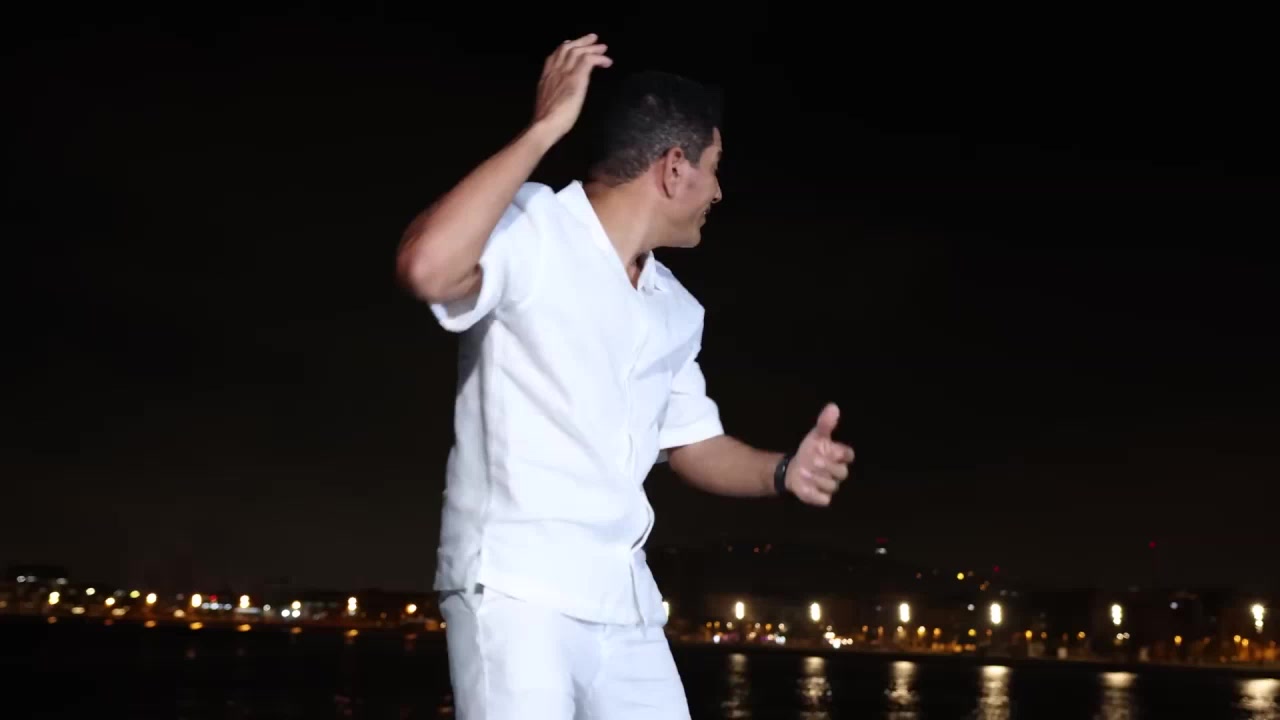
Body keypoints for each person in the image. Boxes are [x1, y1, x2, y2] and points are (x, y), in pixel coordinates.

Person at [396, 33, 855, 720]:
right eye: (714, 168)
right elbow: (427, 268)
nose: (719, 191)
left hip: (626, 604)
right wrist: (544, 129)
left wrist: (784, 471)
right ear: (674, 168)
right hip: (517, 592)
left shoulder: (676, 307)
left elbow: (694, 445)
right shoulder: (534, 226)